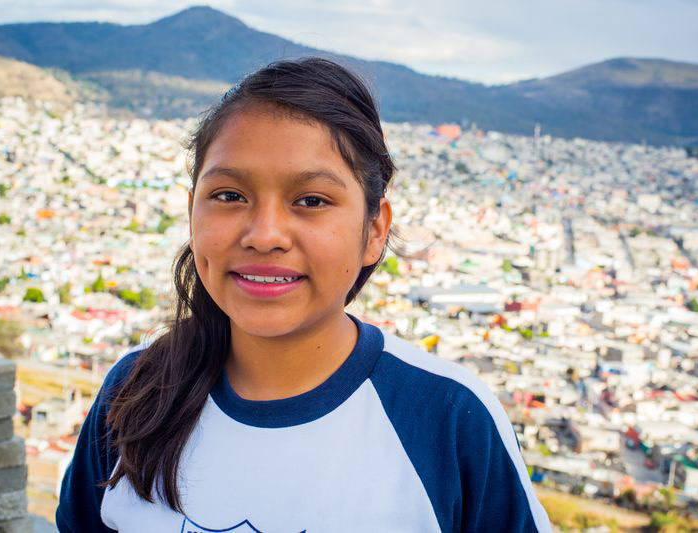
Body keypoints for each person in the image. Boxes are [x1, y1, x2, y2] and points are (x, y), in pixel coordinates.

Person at [56, 57, 551, 533]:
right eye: (229, 196)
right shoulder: (136, 390)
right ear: (192, 212)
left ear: (375, 230)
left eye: (311, 201)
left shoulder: (446, 418)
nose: (265, 234)